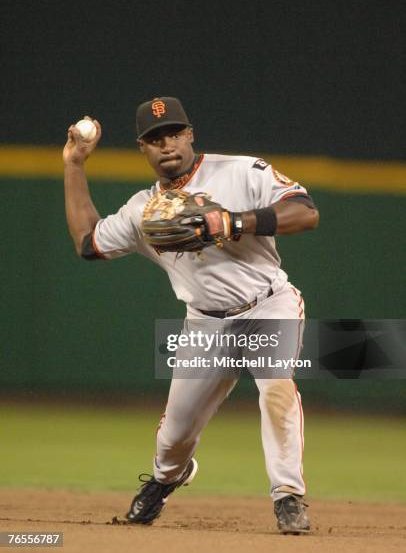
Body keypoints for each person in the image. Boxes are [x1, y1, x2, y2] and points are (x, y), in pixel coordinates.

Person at [63, 96, 319, 535]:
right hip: (204, 324)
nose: (167, 145)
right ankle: (167, 478)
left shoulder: (242, 171)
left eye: (174, 133)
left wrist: (234, 223)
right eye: (154, 139)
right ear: (142, 148)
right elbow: (88, 242)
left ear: (190, 133)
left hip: (268, 305)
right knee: (174, 437)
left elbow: (306, 212)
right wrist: (73, 165)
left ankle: (288, 496)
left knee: (277, 389)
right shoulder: (141, 210)